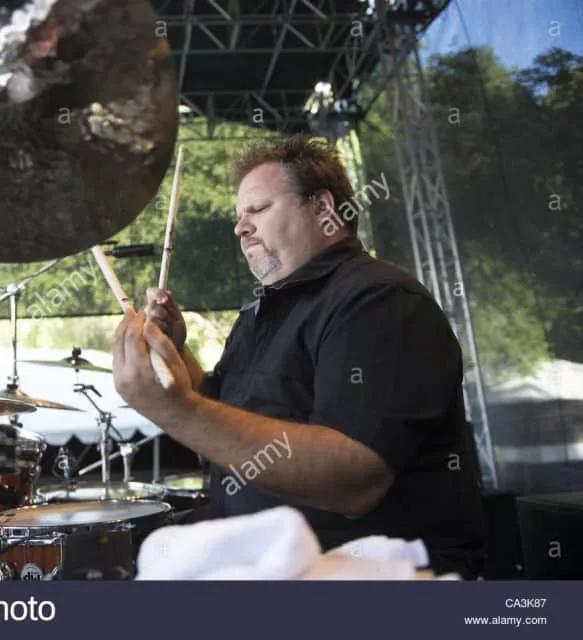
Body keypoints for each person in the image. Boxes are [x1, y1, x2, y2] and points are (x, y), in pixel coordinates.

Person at [112, 134, 487, 579]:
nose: (240, 228)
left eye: (257, 209)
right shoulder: (260, 311)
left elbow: (353, 480)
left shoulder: (378, 302)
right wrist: (176, 356)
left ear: (323, 208)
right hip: (267, 562)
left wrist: (174, 408)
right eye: (238, 217)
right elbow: (227, 415)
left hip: (365, 576)